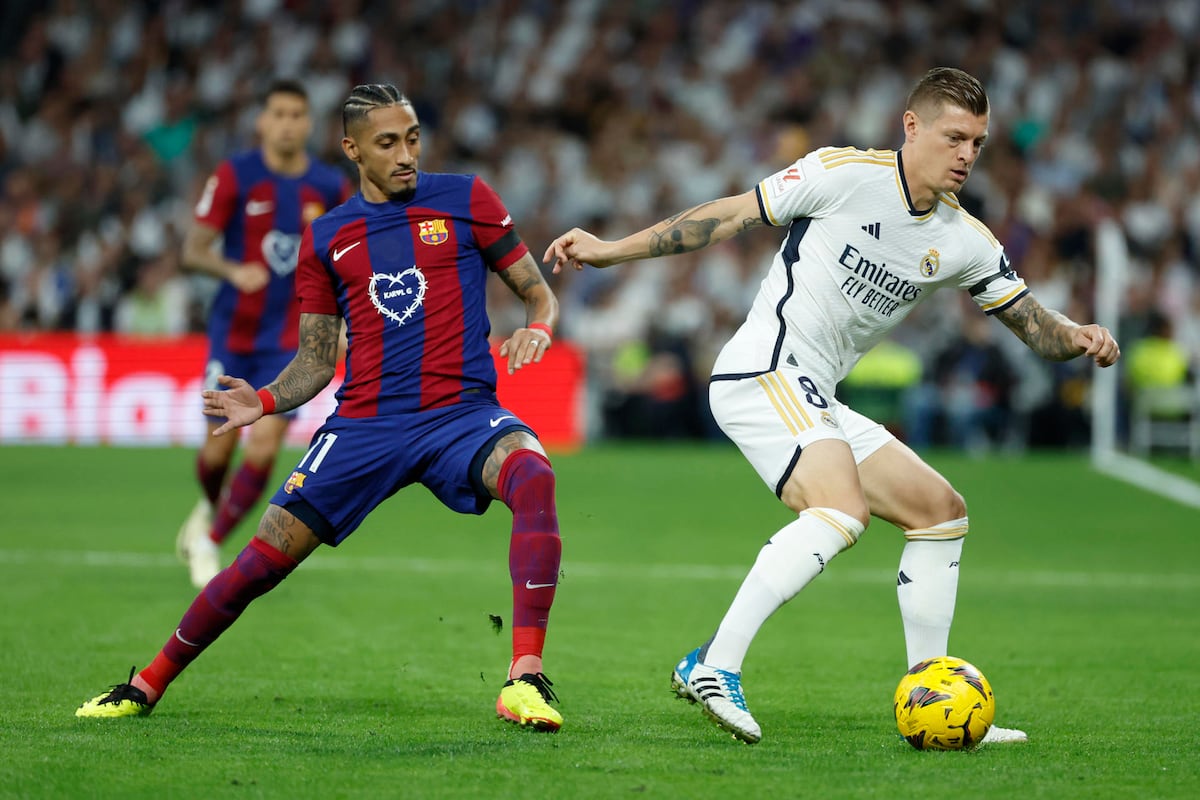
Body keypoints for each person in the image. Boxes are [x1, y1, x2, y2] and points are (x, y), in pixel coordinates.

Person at [544, 67, 1119, 745]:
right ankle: (714, 664)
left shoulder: (965, 240)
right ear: (911, 127)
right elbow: (728, 215)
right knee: (840, 508)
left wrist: (1076, 336)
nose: (967, 155)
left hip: (815, 395)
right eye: (955, 137)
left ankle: (933, 695)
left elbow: (1032, 325)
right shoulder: (842, 174)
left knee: (940, 513)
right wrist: (612, 251)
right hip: (763, 370)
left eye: (978, 143)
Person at [77, 83, 565, 731]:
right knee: (261, 561)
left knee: (533, 473)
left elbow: (537, 292)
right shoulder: (327, 237)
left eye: (412, 139)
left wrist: (539, 326)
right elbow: (315, 360)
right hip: (366, 426)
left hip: (461, 416)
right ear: (352, 149)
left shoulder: (467, 199)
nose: (405, 155)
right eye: (387, 143)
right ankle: (144, 685)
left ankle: (525, 678)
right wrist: (264, 400)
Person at [176, 78, 352, 589]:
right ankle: (207, 508)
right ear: (262, 121)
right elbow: (193, 250)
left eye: (297, 115)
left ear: (308, 123)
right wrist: (233, 270)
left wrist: (343, 322)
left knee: (264, 446)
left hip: (291, 340)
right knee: (216, 453)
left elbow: (346, 261)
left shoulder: (329, 186)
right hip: (233, 335)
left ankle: (209, 541)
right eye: (278, 114)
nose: (287, 124)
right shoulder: (236, 175)